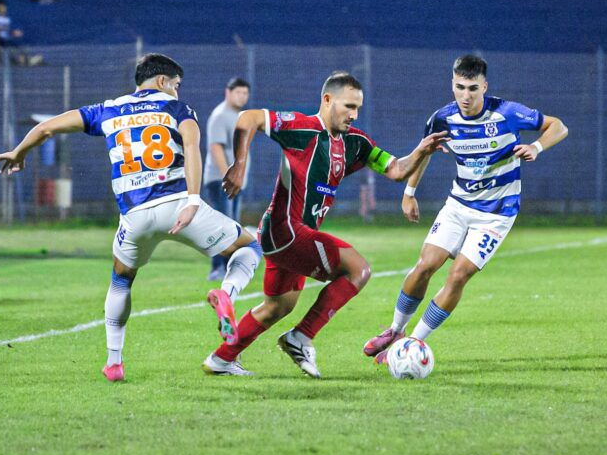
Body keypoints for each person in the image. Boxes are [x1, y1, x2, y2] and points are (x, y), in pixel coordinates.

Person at [0, 54, 262, 382]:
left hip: (133, 216)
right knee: (248, 249)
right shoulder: (177, 109)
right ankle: (226, 294)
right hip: (178, 205)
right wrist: (192, 199)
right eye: (176, 85)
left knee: (121, 280)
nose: (177, 91)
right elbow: (192, 147)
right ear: (163, 82)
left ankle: (114, 362)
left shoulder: (108, 109)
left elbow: (47, 127)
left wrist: (19, 152)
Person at [201, 71, 449, 377]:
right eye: (348, 106)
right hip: (286, 230)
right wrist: (238, 164)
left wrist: (422, 150)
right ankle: (301, 337)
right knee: (359, 269)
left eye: (357, 108)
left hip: (289, 237)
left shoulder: (355, 142)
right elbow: (249, 117)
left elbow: (396, 169)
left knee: (277, 307)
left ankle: (221, 359)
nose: (353, 114)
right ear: (327, 99)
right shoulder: (302, 127)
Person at [363, 55, 568, 361]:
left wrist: (536, 147)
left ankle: (412, 344)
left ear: (484, 86)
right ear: (452, 84)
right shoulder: (442, 119)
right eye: (460, 87)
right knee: (425, 266)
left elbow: (559, 126)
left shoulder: (508, 113)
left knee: (458, 276)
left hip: (496, 214)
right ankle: (395, 329)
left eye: (473, 88)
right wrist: (409, 192)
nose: (466, 95)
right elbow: (425, 152)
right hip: (458, 206)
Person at [203, 77, 251, 281]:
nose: (242, 96)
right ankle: (217, 268)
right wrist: (228, 176)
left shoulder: (239, 116)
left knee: (232, 225)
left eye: (245, 93)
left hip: (234, 181)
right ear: (228, 92)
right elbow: (215, 148)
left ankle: (229, 267)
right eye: (238, 92)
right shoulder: (221, 115)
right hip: (221, 180)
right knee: (223, 225)